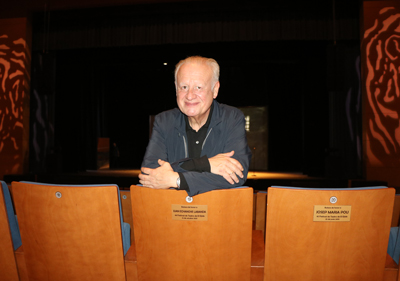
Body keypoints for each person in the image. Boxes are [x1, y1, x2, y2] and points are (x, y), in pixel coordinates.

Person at [139, 56, 252, 196]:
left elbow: (236, 174)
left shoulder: (232, 118)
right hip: (171, 212)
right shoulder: (164, 121)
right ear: (176, 88)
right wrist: (206, 164)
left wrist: (176, 180)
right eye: (184, 87)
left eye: (198, 87)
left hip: (218, 212)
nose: (190, 95)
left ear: (215, 89)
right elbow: (150, 174)